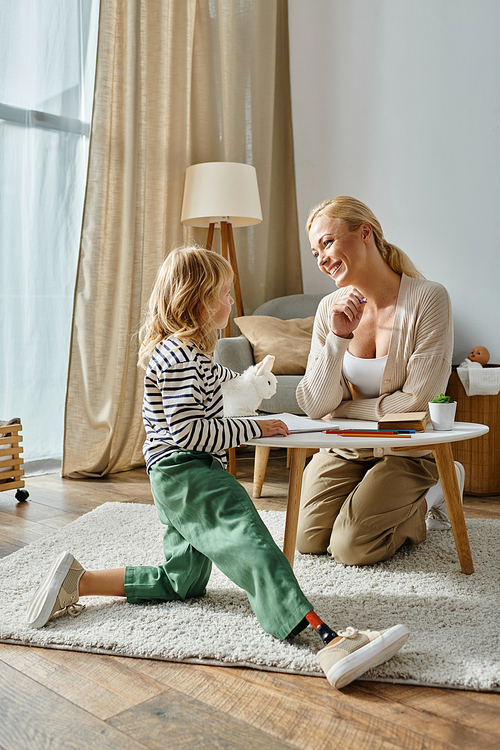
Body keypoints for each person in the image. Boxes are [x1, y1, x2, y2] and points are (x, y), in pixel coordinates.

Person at [26, 245, 409, 689]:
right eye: (225, 294)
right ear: (200, 300)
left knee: (181, 581)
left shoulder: (187, 355)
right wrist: (256, 430)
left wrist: (254, 397)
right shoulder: (180, 359)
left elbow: (224, 385)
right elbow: (190, 433)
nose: (231, 302)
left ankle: (80, 582)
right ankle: (327, 640)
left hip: (173, 478)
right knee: (252, 542)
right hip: (189, 472)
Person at [296, 197, 456, 564]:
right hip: (347, 448)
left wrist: (346, 409)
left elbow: (418, 399)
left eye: (327, 242)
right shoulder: (328, 309)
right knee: (308, 539)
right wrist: (337, 339)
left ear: (364, 233)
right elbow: (315, 405)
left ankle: (437, 490)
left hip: (407, 452)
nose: (321, 257)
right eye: (315, 250)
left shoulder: (429, 298)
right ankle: (369, 498)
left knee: (351, 546)